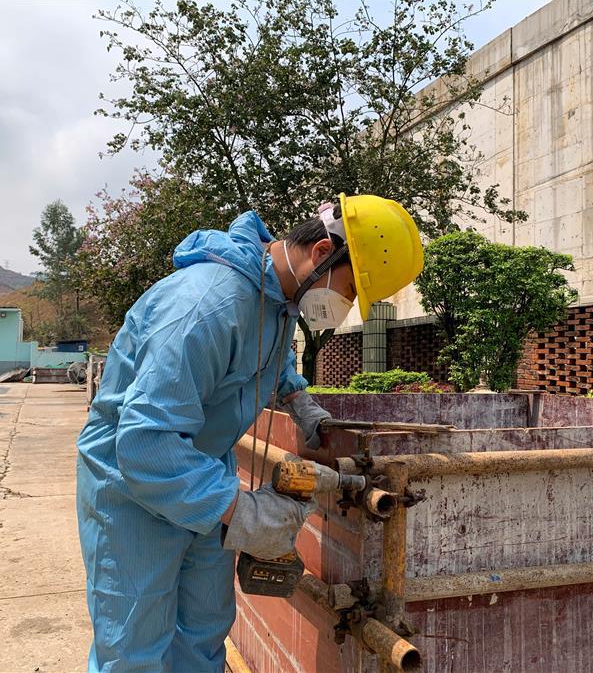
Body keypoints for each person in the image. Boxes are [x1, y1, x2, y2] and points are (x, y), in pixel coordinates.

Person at [76, 194, 423, 672]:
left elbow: (269, 363)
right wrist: (244, 509)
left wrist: (302, 405)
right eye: (347, 290)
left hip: (201, 469)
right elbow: (145, 441)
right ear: (322, 252)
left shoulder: (276, 299)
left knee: (203, 628)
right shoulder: (206, 306)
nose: (343, 306)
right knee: (135, 646)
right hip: (132, 483)